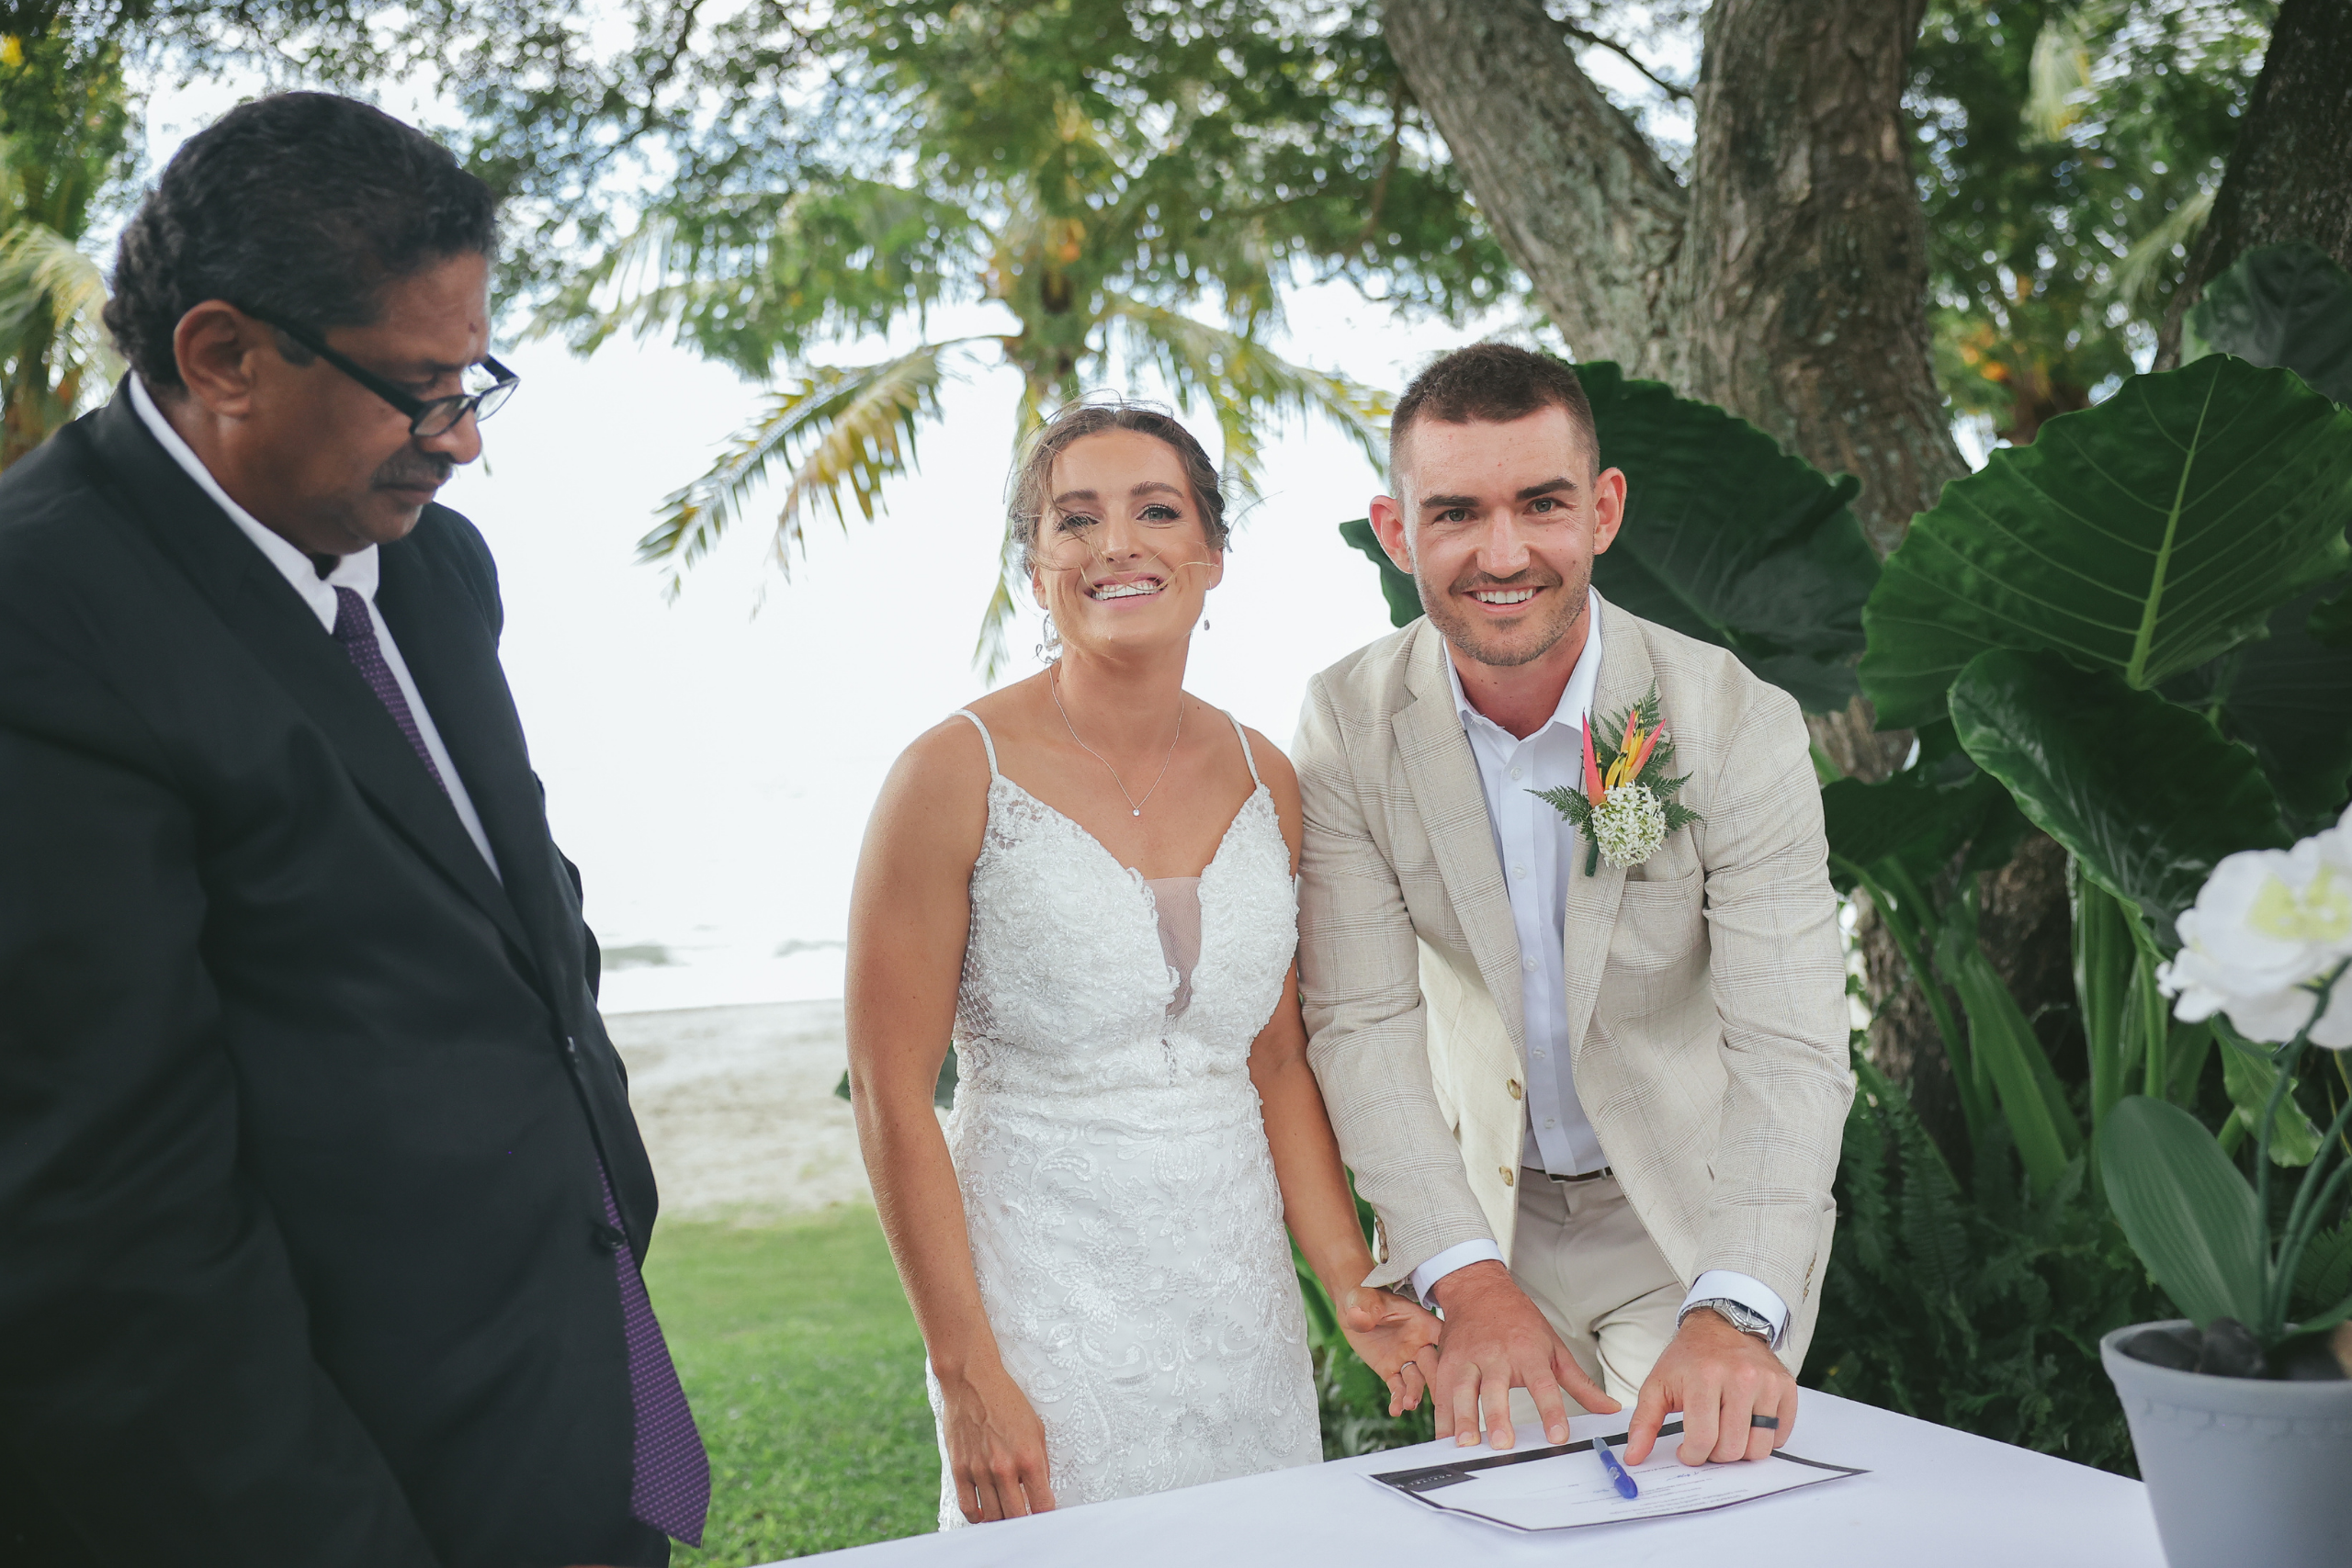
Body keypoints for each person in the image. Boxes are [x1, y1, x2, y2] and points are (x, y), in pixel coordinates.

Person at [0, 94, 706, 1567]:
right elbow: (111, 1229)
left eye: (474, 380)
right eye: (416, 388)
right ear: (223, 356)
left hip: (559, 1417)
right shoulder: (41, 618)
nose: (458, 442)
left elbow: (511, 931)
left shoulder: (432, 566)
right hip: (318, 1485)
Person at [846, 401, 1443, 1528]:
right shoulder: (948, 775)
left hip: (1233, 1302)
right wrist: (965, 1370)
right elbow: (890, 1095)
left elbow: (1272, 1064)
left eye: (1154, 510)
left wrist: (1346, 1284)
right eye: (1075, 521)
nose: (1115, 544)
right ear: (1036, 568)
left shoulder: (1267, 775)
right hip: (1039, 1301)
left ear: (1209, 555)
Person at [1295, 343, 1854, 1469]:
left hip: (1688, 1207)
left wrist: (1734, 1309)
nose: (1503, 555)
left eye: (1540, 504)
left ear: (1601, 511)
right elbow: (1361, 1023)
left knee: (1696, 1519)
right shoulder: (1348, 722)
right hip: (1481, 1207)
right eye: (1455, 513)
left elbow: (1790, 1045)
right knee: (1512, 1523)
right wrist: (1459, 1268)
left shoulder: (1731, 720)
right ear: (1397, 531)